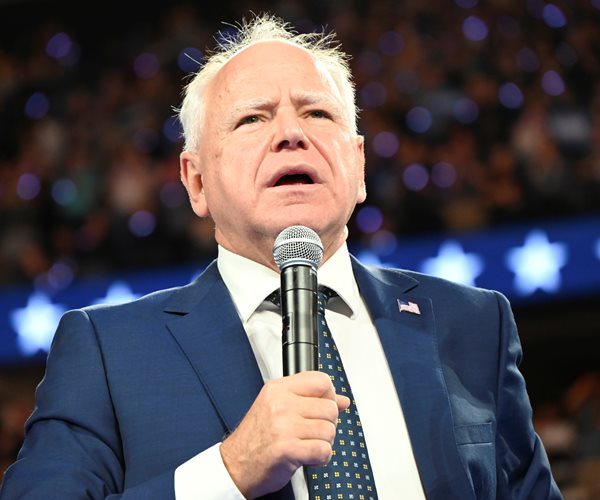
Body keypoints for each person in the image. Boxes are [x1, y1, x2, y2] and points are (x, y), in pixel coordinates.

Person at [0, 13, 561, 500]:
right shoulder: (108, 351)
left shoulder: (473, 323)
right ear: (196, 181)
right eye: (253, 118)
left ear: (359, 166)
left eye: (317, 114)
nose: (291, 133)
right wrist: (229, 471)